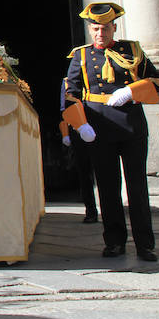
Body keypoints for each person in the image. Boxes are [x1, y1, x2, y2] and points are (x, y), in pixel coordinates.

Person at [64, 2, 159, 262]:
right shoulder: (80, 56)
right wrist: (80, 124)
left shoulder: (132, 51)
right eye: (96, 29)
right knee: (108, 188)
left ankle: (145, 244)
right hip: (99, 128)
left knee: (137, 187)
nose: (100, 34)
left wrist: (131, 91)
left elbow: (157, 80)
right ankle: (115, 241)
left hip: (131, 125)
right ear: (90, 29)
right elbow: (71, 94)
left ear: (114, 28)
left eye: (105, 28)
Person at [59, 78, 98, 224]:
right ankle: (91, 210)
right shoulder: (68, 82)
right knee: (84, 172)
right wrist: (66, 134)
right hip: (79, 130)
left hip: (100, 126)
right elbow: (65, 109)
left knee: (105, 171)